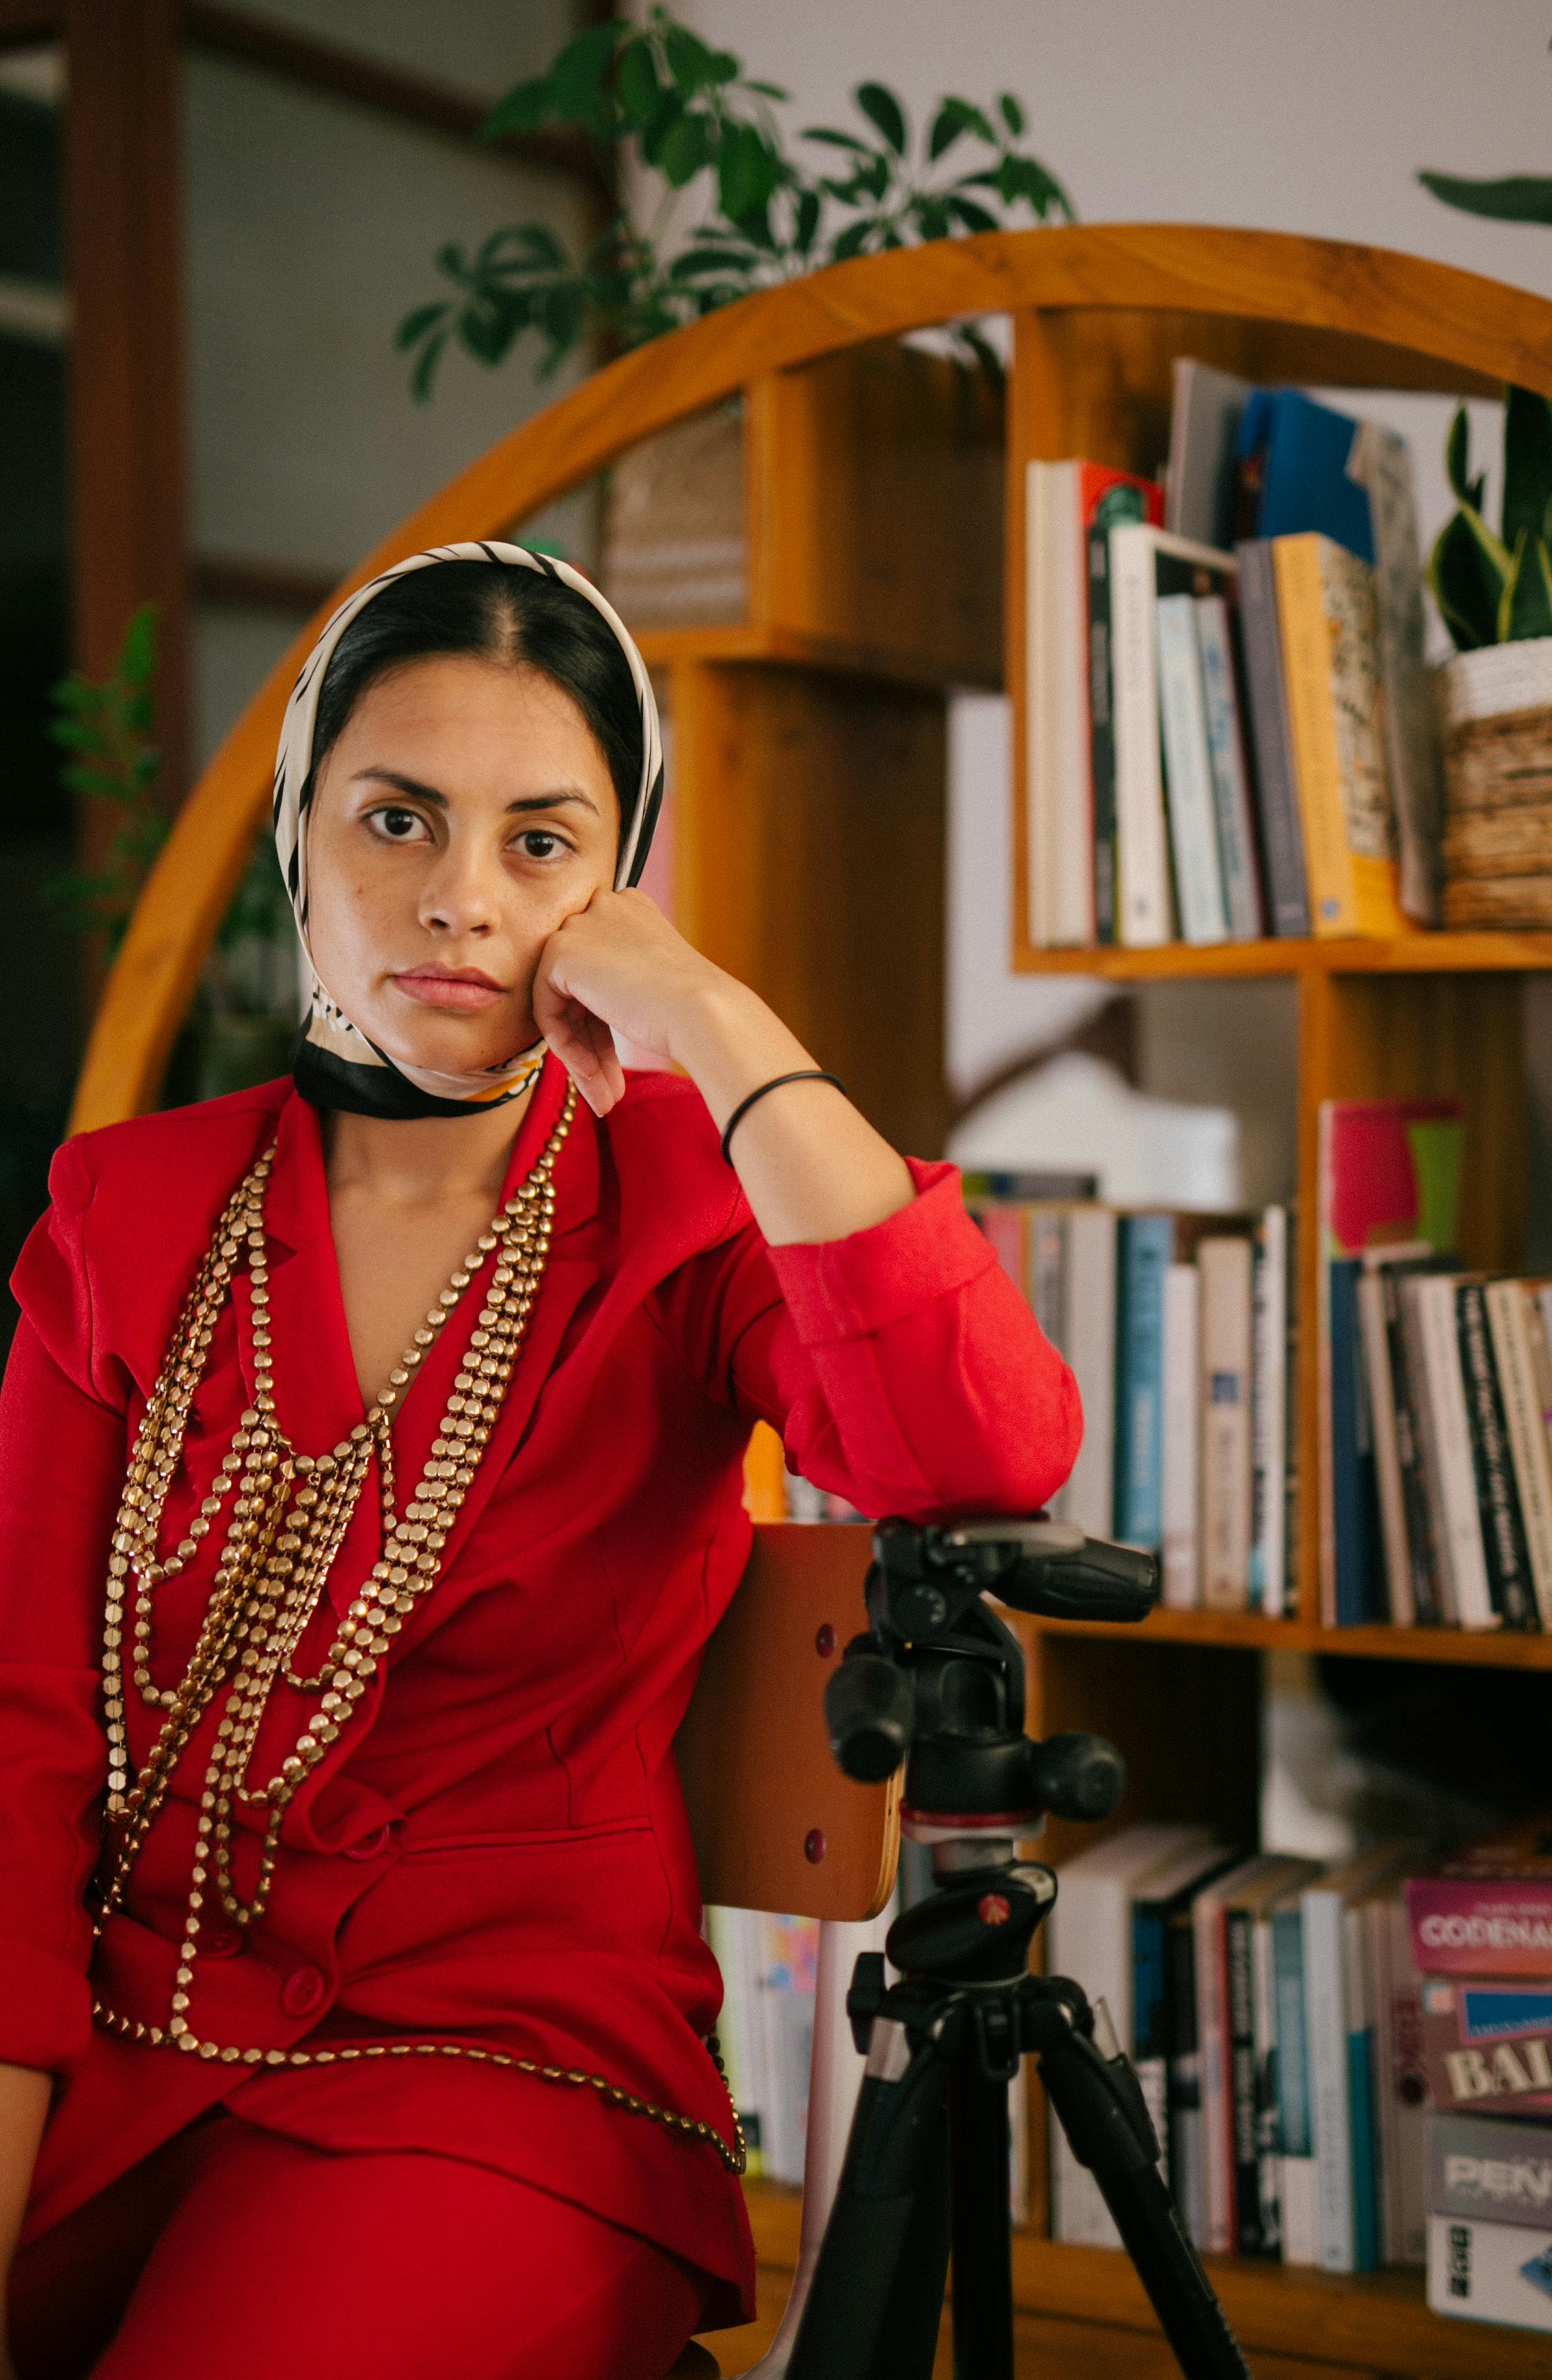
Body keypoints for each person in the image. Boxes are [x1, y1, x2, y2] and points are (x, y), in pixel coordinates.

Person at [0, 544, 1079, 2380]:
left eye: (541, 843)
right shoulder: (134, 1204)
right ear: (300, 835)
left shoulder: (685, 1198)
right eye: (397, 821)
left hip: (494, 2081)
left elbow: (980, 1448)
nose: (457, 903)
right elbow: (18, 1724)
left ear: (619, 879)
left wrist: (711, 1026)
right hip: (105, 2044)